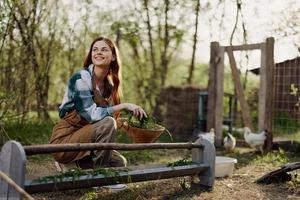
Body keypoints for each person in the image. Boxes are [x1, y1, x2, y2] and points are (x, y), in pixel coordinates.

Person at [50, 36, 147, 172]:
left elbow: (100, 121)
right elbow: (92, 115)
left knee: (119, 162)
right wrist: (124, 106)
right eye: (95, 49)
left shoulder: (108, 85)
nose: (98, 52)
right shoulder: (81, 78)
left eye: (104, 50)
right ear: (91, 55)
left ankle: (72, 165)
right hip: (65, 141)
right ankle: (100, 176)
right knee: (108, 122)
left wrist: (120, 123)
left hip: (85, 138)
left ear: (113, 57)